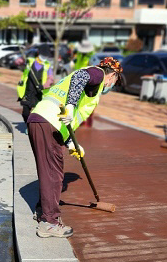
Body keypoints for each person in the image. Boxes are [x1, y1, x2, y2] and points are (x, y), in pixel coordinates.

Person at [28, 57, 122, 238]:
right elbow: (80, 77)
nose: (112, 84)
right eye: (115, 81)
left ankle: (43, 211)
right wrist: (70, 107)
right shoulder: (98, 73)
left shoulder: (90, 85)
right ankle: (49, 223)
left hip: (41, 120)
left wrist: (71, 142)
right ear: (112, 75)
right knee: (54, 175)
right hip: (48, 122)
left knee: (50, 171)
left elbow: (68, 115)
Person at [17, 52, 54, 122]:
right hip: (27, 91)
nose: (44, 57)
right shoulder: (30, 61)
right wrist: (22, 60)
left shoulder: (47, 65)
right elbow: (18, 62)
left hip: (39, 92)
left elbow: (50, 78)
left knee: (38, 113)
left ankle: (32, 126)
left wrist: (44, 86)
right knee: (25, 113)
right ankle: (28, 125)